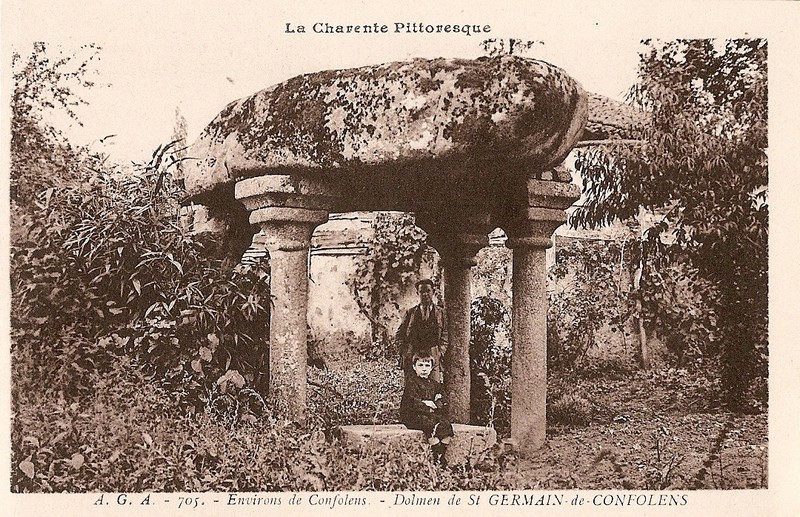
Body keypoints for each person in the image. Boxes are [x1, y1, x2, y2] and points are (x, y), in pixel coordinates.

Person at [399, 352, 454, 465]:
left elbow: (443, 400)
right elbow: (413, 403)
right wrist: (428, 406)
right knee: (429, 424)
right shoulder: (412, 383)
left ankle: (440, 455)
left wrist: (434, 404)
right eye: (420, 365)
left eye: (427, 365)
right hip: (413, 415)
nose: (424, 369)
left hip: (431, 414)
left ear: (431, 368)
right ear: (414, 367)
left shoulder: (435, 384)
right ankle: (436, 456)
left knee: (446, 425)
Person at [396, 279, 448, 382]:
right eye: (421, 292)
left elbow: (445, 334)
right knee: (412, 385)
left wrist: (440, 352)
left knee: (433, 384)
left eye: (428, 291)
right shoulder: (411, 313)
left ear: (433, 292)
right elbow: (399, 334)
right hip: (413, 352)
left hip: (432, 352)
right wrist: (404, 351)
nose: (425, 294)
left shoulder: (440, 313)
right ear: (417, 293)